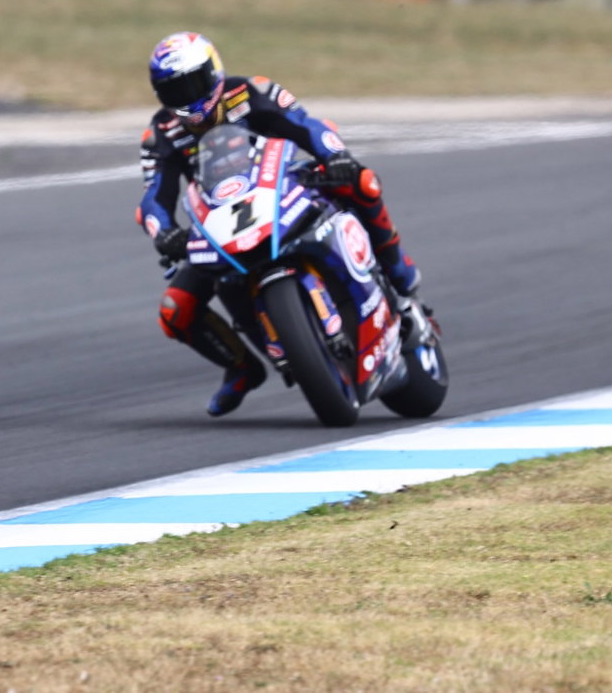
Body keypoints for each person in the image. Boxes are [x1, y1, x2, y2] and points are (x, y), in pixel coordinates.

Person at [138, 32, 421, 417]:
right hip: (222, 226)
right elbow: (155, 197)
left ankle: (399, 272)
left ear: (214, 70)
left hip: (290, 189)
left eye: (195, 82)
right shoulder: (160, 134)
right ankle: (241, 368)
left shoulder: (250, 91)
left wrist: (336, 156)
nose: (188, 96)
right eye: (175, 90)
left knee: (362, 182)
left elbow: (306, 126)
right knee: (176, 310)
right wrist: (164, 231)